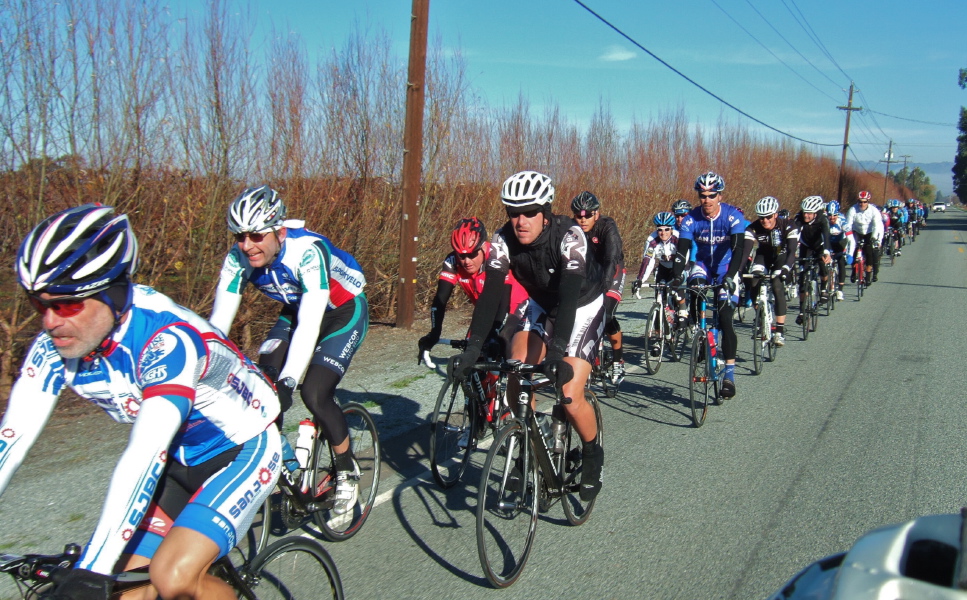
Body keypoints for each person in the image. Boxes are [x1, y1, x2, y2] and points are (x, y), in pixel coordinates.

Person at [1, 204, 282, 600]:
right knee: (128, 590)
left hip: (240, 449)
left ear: (113, 295)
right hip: (177, 461)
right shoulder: (53, 348)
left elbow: (144, 453)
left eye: (65, 304)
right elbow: (10, 442)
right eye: (39, 304)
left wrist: (92, 569)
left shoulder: (166, 340)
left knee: (172, 577)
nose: (49, 322)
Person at [210, 185, 368, 517]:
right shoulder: (238, 258)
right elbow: (217, 326)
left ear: (279, 231)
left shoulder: (306, 251)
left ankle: (347, 469)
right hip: (296, 308)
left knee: (313, 391)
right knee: (261, 383)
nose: (247, 245)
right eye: (239, 236)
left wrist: (289, 381)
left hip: (342, 310)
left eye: (256, 235)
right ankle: (283, 467)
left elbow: (311, 321)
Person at [449, 170, 606, 502]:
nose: (520, 221)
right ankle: (529, 441)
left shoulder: (570, 236)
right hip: (541, 304)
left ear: (545, 212)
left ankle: (593, 452)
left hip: (581, 305)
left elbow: (567, 298)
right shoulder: (503, 240)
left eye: (529, 212)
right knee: (515, 370)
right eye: (513, 213)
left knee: (567, 391)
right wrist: (473, 349)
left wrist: (557, 350)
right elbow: (490, 296)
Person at [672, 171, 747, 398]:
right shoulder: (691, 219)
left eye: (711, 195)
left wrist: (731, 276)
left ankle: (730, 375)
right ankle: (701, 334)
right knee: (694, 286)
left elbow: (738, 250)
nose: (706, 200)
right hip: (703, 264)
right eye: (702, 195)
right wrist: (677, 277)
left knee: (724, 319)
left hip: (726, 267)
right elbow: (681, 251)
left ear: (719, 196)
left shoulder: (732, 216)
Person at [417, 217, 527, 361]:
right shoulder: (452, 262)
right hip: (485, 309)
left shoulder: (497, 257)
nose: (467, 261)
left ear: (483, 247)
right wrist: (434, 332)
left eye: (472, 254)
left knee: (502, 344)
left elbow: (503, 302)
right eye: (462, 256)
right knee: (470, 353)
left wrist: (494, 334)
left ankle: (515, 380)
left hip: (514, 307)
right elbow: (440, 300)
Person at [571, 191, 626, 385]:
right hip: (589, 274)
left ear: (596, 213)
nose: (583, 220)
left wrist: (604, 287)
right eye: (579, 216)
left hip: (613, 271)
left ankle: (618, 360)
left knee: (607, 313)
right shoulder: (572, 230)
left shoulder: (607, 227)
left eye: (587, 215)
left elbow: (611, 258)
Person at [741, 196, 800, 346]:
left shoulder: (788, 225)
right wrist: (738, 270)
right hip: (763, 256)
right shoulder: (753, 228)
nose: (765, 221)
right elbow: (745, 251)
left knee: (776, 284)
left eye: (768, 217)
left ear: (775, 214)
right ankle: (761, 315)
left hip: (782, 256)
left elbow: (792, 251)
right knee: (754, 281)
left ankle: (779, 331)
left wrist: (787, 268)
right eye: (761, 218)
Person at [632, 211, 687, 355]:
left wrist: (678, 277)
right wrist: (639, 280)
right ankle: (658, 337)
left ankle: (682, 313)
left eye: (666, 229)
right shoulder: (652, 240)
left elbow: (684, 259)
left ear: (671, 228)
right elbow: (648, 262)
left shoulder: (679, 238)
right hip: (663, 268)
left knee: (677, 286)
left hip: (679, 266)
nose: (663, 233)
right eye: (660, 229)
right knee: (659, 300)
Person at [794, 195, 833, 323]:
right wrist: (793, 250)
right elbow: (794, 234)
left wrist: (827, 252)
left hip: (819, 246)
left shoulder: (822, 218)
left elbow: (826, 235)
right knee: (803, 277)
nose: (806, 215)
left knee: (822, 265)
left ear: (816, 213)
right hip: (806, 246)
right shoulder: (799, 218)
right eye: (804, 212)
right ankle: (801, 311)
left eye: (809, 213)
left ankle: (823, 289)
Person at [844, 190, 884, 284]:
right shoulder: (852, 209)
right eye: (860, 202)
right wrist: (848, 237)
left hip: (869, 232)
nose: (862, 204)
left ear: (868, 202)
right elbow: (848, 224)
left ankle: (869, 274)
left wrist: (874, 237)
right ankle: (854, 270)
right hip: (857, 231)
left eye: (864, 202)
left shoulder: (874, 211)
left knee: (869, 251)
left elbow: (876, 225)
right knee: (854, 249)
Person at [827, 208, 855, 301]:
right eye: (830, 215)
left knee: (841, 262)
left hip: (840, 244)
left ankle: (840, 290)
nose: (832, 217)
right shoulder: (825, 222)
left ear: (838, 215)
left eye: (834, 215)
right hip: (829, 244)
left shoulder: (843, 223)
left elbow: (851, 240)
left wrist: (850, 254)